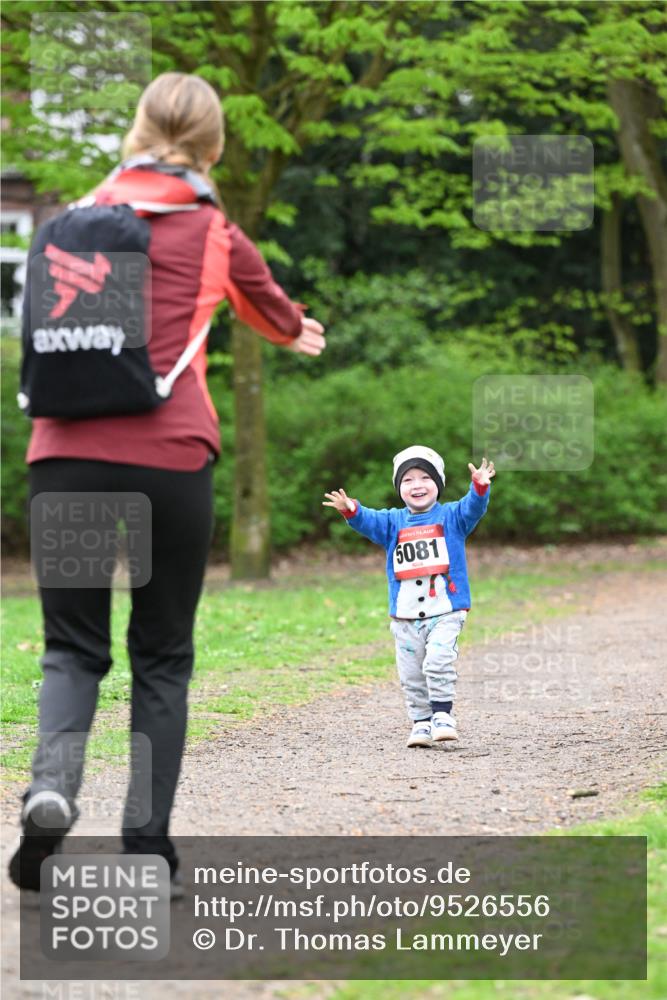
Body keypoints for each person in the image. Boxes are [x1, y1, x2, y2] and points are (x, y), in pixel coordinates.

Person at [9, 72, 326, 893]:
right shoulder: (211, 229)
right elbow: (274, 314)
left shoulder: (73, 220)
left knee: (72, 650)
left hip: (66, 460)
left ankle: (50, 795)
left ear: (135, 132)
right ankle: (146, 843)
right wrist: (294, 335)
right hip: (169, 462)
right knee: (161, 657)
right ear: (214, 148)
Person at [323, 446, 494, 748]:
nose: (417, 485)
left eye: (425, 477)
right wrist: (350, 509)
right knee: (411, 674)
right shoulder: (393, 523)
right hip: (404, 616)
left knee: (439, 661)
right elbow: (368, 520)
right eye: (408, 480)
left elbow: (473, 508)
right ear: (399, 488)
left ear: (437, 484)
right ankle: (421, 723)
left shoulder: (452, 517)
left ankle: (443, 716)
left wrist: (479, 487)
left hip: (446, 609)